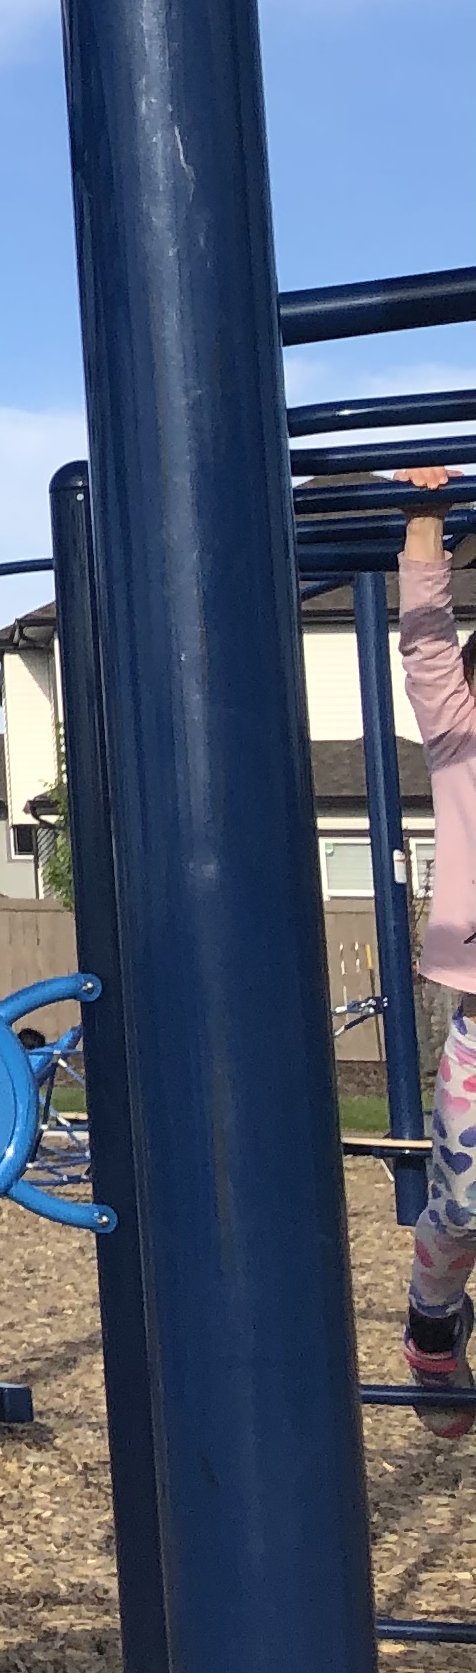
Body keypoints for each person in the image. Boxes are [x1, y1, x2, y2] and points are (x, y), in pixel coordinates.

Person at [396, 465, 476, 1435]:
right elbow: (425, 642)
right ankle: (431, 1320)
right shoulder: (459, 740)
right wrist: (424, 518)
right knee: (461, 1209)